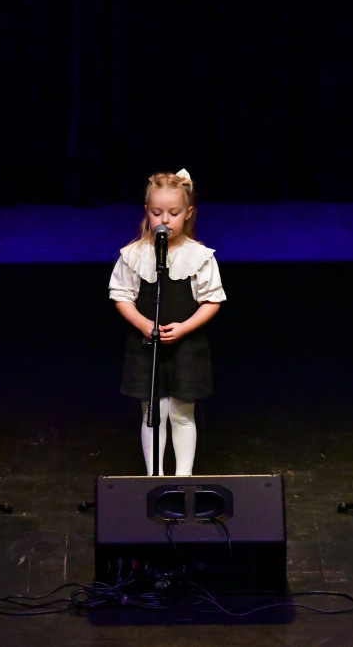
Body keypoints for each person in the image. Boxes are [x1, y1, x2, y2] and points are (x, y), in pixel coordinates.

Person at [109, 169, 226, 476]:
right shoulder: (134, 254)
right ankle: (154, 476)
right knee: (152, 412)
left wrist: (185, 327)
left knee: (183, 413)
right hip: (147, 345)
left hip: (186, 347)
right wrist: (143, 323)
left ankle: (183, 478)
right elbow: (121, 294)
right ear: (147, 212)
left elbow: (212, 299)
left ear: (188, 214)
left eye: (173, 213)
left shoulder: (199, 256)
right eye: (157, 212)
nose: (165, 220)